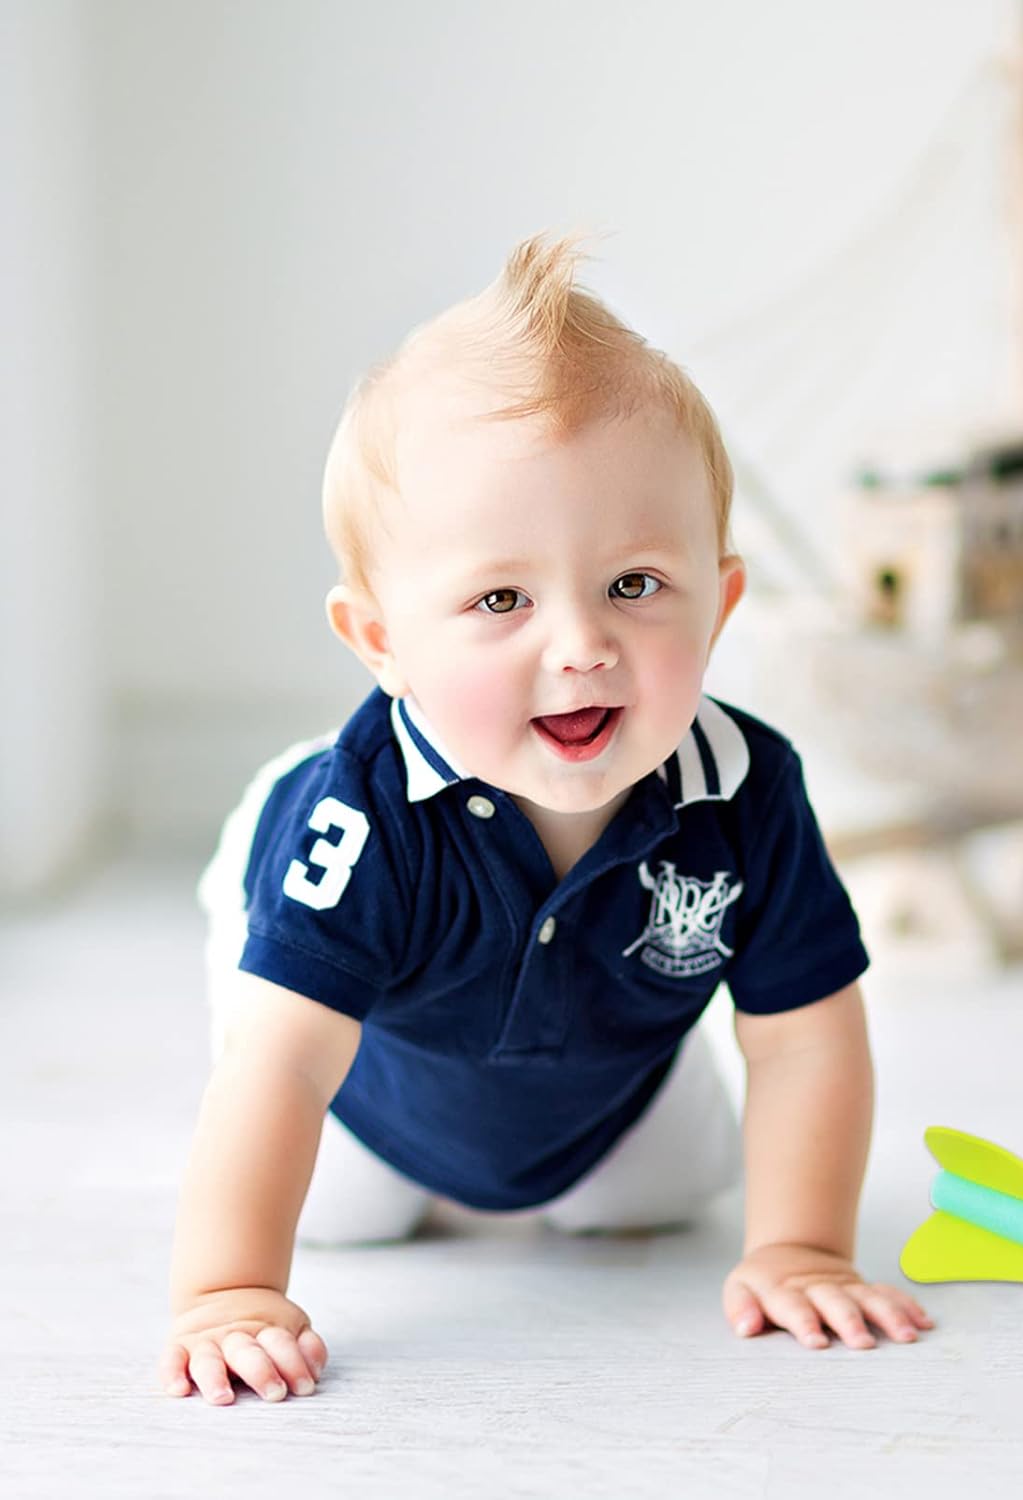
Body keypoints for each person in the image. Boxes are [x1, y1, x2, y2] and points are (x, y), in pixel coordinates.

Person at [157, 233, 933, 1406]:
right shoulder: (363, 821)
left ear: (720, 604)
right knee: (350, 1214)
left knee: (655, 1199)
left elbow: (803, 1036)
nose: (581, 646)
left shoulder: (746, 787)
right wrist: (226, 1291)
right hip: (370, 1087)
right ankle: (253, 910)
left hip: (603, 1078)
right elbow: (284, 1063)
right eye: (501, 598)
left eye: (635, 585)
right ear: (381, 642)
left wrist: (802, 1246)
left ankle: (613, 1083)